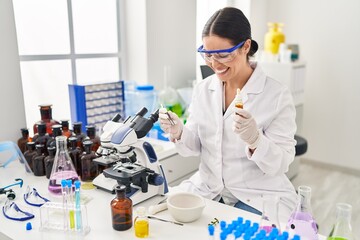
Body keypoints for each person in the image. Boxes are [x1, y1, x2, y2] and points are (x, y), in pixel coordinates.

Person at [159, 7, 297, 221]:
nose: (215, 64)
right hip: (210, 189)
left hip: (257, 194)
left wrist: (256, 141)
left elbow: (281, 164)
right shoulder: (203, 89)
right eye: (208, 55)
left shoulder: (277, 95)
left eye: (223, 55)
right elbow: (195, 146)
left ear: (246, 47)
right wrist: (179, 132)